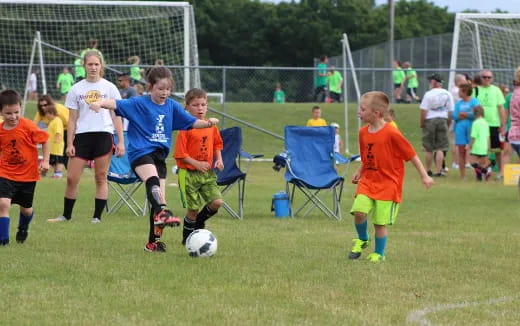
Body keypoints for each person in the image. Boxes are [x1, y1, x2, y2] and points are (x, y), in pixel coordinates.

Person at [88, 66, 220, 253]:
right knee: (153, 182)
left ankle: (153, 243)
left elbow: (191, 122)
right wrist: (99, 104)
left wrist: (207, 123)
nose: (164, 92)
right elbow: (115, 104)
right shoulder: (139, 103)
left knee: (159, 201)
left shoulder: (172, 106)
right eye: (160, 88)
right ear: (150, 87)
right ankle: (162, 213)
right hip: (140, 153)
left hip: (159, 156)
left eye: (167, 89)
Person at [349, 91, 433, 262]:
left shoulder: (392, 132)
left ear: (376, 113)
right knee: (359, 211)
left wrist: (425, 176)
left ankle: (379, 253)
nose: (359, 112)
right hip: (368, 181)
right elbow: (367, 156)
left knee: (380, 223)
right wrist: (359, 170)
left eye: (363, 109)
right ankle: (363, 239)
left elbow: (411, 155)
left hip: (388, 184)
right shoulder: (362, 133)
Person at [47, 50, 124, 224]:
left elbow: (116, 116)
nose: (93, 67)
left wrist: (121, 141)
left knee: (100, 177)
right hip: (82, 137)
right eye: (90, 64)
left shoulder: (110, 87)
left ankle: (97, 217)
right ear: (84, 66)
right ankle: (66, 215)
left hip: (103, 136)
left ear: (101, 66)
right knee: (72, 178)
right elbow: (72, 119)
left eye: (97, 64)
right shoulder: (76, 89)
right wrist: (69, 143)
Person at [174, 88, 224, 245]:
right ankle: (187, 239)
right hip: (188, 174)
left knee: (217, 202)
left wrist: (219, 159)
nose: (200, 108)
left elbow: (217, 143)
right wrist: (197, 164)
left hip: (207, 173)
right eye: (196, 105)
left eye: (203, 104)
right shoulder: (185, 127)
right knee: (193, 210)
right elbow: (180, 154)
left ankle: (199, 223)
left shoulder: (211, 126)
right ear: (187, 107)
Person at [0, 89, 50, 245]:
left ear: (20, 107)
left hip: (28, 175)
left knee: (26, 209)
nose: (13, 117)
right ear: (1, 112)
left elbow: (45, 140)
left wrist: (46, 161)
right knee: (3, 203)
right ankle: (3, 240)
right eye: (8, 113)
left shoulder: (28, 126)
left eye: (16, 112)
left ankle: (23, 227)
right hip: (6, 172)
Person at [474, 70, 506, 179]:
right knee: (481, 150)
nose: (487, 79)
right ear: (480, 78)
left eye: (489, 77)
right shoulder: (476, 90)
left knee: (497, 150)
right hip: (480, 125)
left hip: (494, 124)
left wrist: (502, 125)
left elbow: (501, 108)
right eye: (484, 77)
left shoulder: (496, 90)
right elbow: (472, 105)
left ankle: (501, 172)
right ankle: (482, 171)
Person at [420, 73, 454, 177]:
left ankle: (428, 170)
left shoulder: (428, 94)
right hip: (442, 119)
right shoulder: (447, 94)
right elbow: (450, 111)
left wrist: (422, 123)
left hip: (430, 120)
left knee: (429, 148)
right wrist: (448, 122)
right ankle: (439, 171)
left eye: (430, 81)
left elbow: (424, 110)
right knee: (440, 147)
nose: (429, 83)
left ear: (434, 82)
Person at [34, 95, 70, 168]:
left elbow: (70, 121)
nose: (43, 107)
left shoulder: (59, 109)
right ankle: (52, 166)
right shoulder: (41, 112)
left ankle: (64, 167)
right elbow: (33, 124)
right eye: (41, 106)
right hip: (55, 132)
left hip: (67, 129)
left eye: (45, 105)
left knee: (66, 149)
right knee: (54, 150)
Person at [452, 83, 479, 179]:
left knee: (475, 151)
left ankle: (478, 173)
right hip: (459, 128)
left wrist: (465, 115)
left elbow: (476, 113)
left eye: (460, 91)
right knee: (461, 151)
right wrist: (464, 114)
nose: (458, 93)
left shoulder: (474, 101)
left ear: (465, 91)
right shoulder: (458, 103)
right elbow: (455, 115)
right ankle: (462, 175)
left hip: (472, 128)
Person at [449, 74, 469, 170]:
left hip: (457, 119)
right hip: (458, 120)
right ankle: (457, 162)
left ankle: (460, 162)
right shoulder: (457, 91)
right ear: (458, 82)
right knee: (458, 142)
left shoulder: (453, 91)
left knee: (459, 142)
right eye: (464, 80)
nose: (466, 82)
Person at [469, 105, 492, 181]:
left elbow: (473, 136)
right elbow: (488, 136)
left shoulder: (475, 123)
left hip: (477, 146)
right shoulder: (486, 123)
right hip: (484, 145)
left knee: (472, 162)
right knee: (480, 163)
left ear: (475, 113)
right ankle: (479, 178)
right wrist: (488, 146)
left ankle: (486, 172)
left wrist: (470, 145)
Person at [45, 105, 65, 178]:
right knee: (54, 160)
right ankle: (55, 173)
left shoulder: (57, 121)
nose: (46, 116)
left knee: (58, 160)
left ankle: (58, 174)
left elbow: (58, 131)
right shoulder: (53, 121)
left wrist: (56, 139)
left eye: (47, 113)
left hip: (57, 146)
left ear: (51, 113)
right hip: (52, 146)